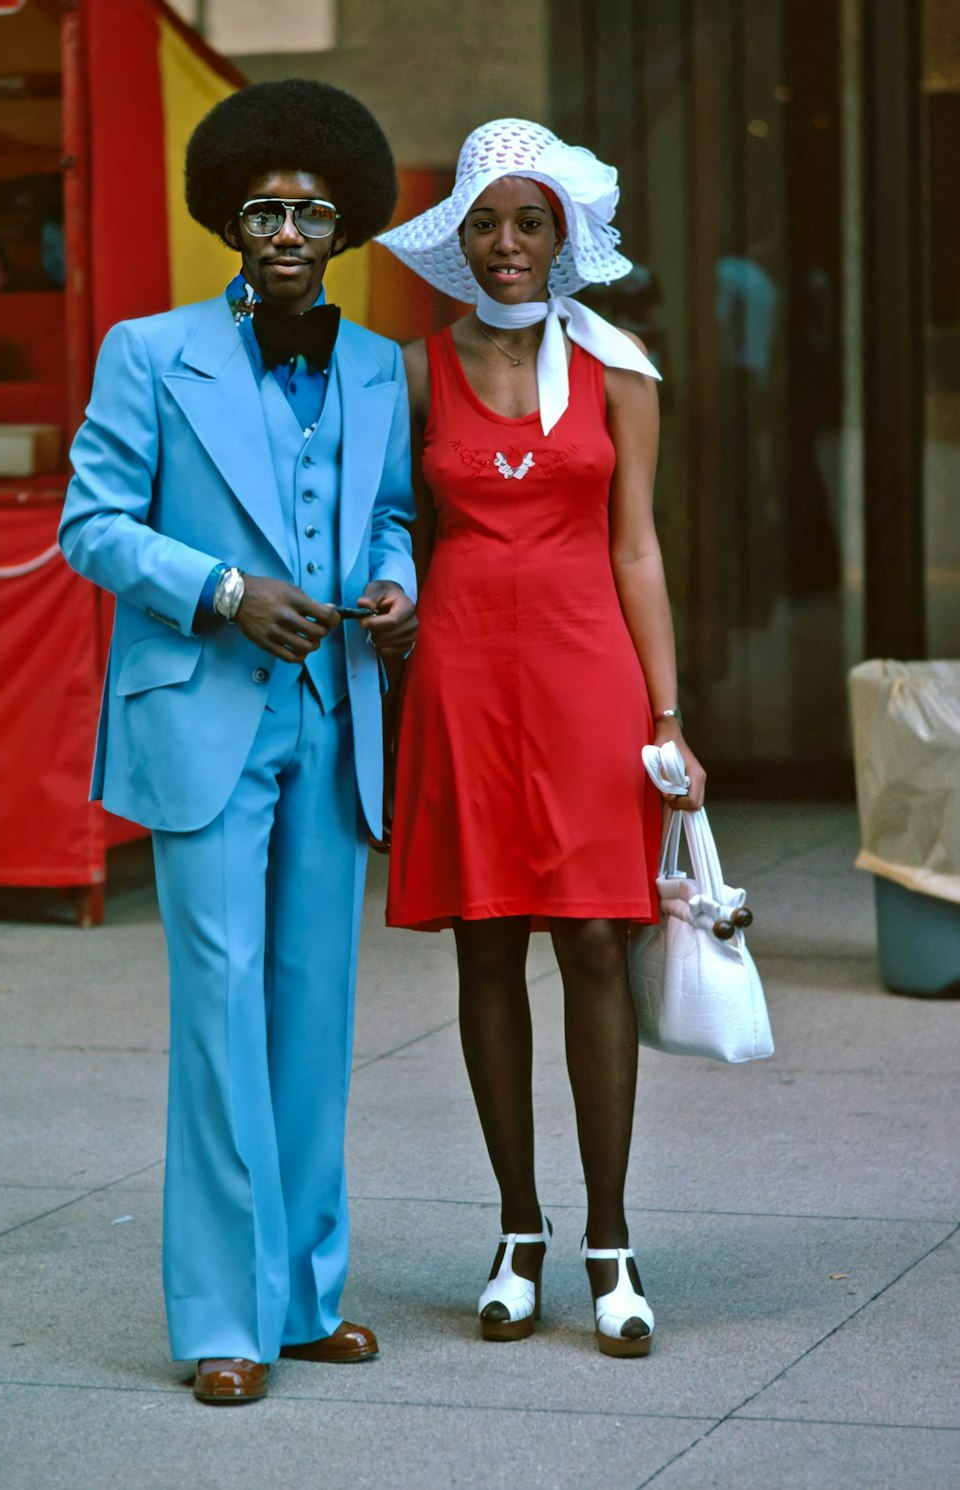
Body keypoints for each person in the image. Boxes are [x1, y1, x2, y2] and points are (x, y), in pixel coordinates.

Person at [59, 80, 416, 1404]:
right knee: (219, 1008)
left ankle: (304, 1293)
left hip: (330, 723)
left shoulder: (377, 365)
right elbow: (91, 525)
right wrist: (221, 587)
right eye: (264, 209)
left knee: (314, 1012)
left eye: (313, 211)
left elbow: (387, 517)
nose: (287, 229)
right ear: (230, 220)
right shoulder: (149, 352)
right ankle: (220, 1313)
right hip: (202, 717)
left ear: (345, 227)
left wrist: (397, 587)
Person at [377, 119, 705, 1357]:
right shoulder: (412, 371)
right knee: (483, 948)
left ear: (563, 237)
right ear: (457, 241)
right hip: (462, 682)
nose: (506, 245)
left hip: (588, 683)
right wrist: (390, 603)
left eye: (529, 223)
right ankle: (518, 1229)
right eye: (485, 225)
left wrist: (669, 717)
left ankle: (610, 1241)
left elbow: (637, 547)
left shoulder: (620, 368)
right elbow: (390, 531)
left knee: (595, 947)